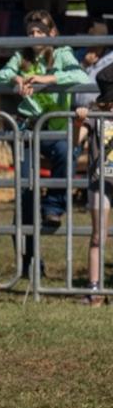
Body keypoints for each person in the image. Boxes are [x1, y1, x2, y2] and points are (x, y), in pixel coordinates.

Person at [0, 10, 90, 272]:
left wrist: (50, 79)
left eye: (40, 32)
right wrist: (16, 78)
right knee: (26, 194)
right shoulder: (22, 56)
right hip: (27, 130)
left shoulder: (62, 54)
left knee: (65, 150)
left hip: (54, 131)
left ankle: (55, 206)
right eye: (31, 32)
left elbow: (82, 77)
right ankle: (29, 260)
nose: (34, 36)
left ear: (52, 34)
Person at [76, 65, 113, 305]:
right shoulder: (94, 112)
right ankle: (94, 288)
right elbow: (77, 141)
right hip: (100, 181)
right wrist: (79, 122)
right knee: (98, 236)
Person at [75, 21, 113, 110]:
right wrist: (84, 64)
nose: (93, 45)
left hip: (102, 110)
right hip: (78, 109)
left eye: (97, 41)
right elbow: (70, 75)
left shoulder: (111, 57)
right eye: (90, 39)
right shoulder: (78, 55)